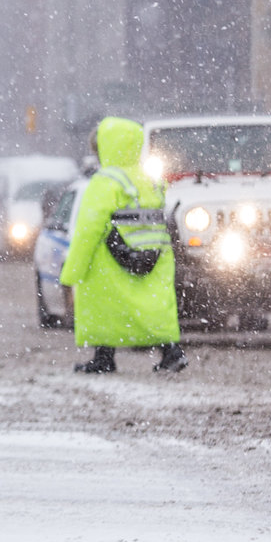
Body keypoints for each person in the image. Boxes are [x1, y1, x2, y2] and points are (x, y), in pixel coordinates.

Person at [59, 116, 186, 374]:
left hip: (110, 258)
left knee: (104, 307)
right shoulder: (150, 180)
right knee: (153, 307)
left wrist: (73, 269)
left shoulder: (105, 181)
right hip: (155, 256)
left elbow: (89, 227)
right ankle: (171, 351)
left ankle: (103, 357)